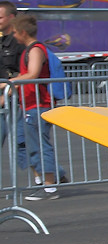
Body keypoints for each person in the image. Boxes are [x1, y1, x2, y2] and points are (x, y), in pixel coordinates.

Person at [9, 15, 66, 200]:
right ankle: (43, 180)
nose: (14, 35)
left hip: (38, 105)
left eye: (15, 32)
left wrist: (9, 82)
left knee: (40, 146)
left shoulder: (36, 50)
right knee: (26, 144)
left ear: (23, 32)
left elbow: (32, 73)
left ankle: (49, 187)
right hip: (28, 104)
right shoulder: (30, 50)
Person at [0, 1, 23, 159]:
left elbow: (25, 74)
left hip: (15, 101)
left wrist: (5, 94)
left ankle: (50, 175)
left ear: (11, 17)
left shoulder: (19, 43)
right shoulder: (1, 42)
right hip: (3, 99)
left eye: (0, 17)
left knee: (22, 144)